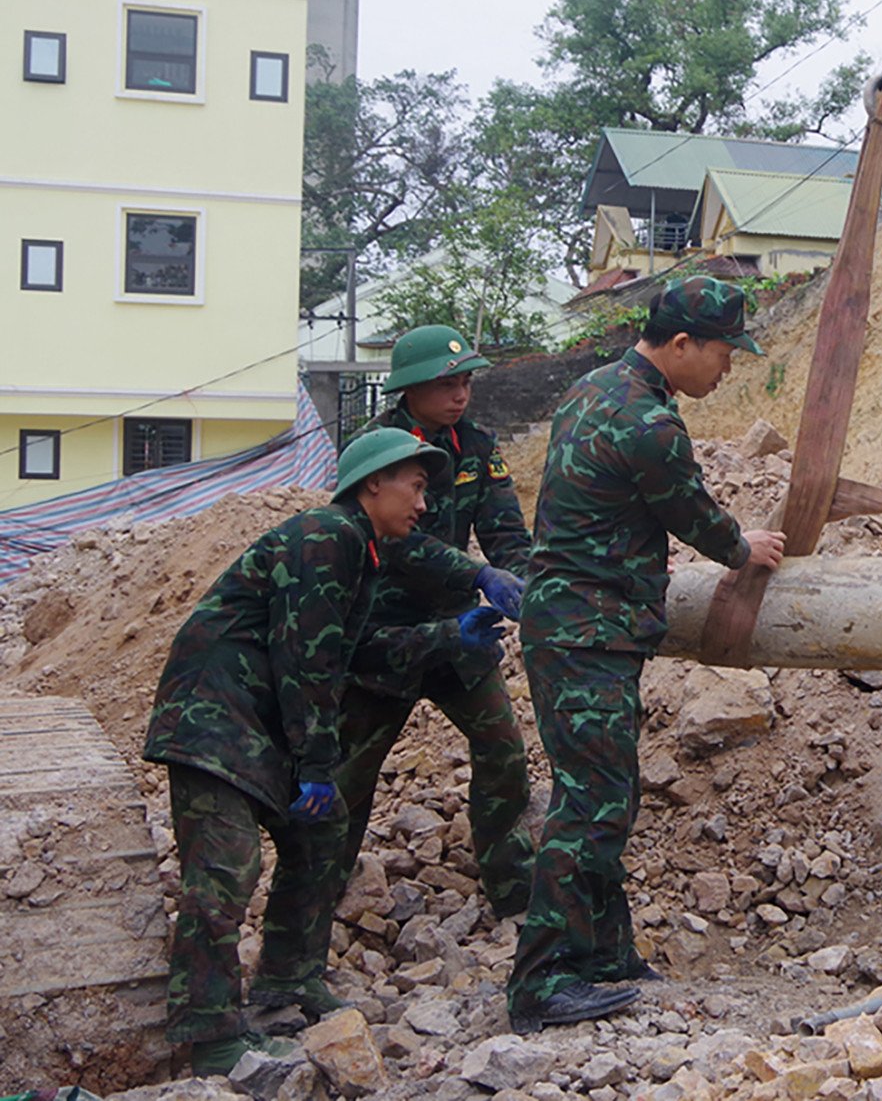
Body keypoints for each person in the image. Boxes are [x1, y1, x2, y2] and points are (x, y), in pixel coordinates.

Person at [507, 276, 787, 1033]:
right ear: (682, 344)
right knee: (592, 802)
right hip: (585, 629)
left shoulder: (594, 387)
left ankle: (604, 954)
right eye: (725, 351)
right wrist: (743, 546)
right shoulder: (648, 422)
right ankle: (540, 983)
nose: (729, 366)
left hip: (577, 625)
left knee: (607, 792)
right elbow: (690, 511)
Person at [142, 429, 449, 1076]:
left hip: (257, 720)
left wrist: (448, 636)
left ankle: (286, 981)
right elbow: (305, 658)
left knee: (320, 835)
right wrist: (315, 764)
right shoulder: (325, 536)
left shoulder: (358, 551)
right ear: (374, 482)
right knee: (226, 871)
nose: (423, 505)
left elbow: (351, 651)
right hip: (214, 717)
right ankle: (211, 1037)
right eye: (415, 487)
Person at [329, 324, 537, 923]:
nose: (460, 394)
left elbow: (505, 531)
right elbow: (395, 544)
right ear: (411, 388)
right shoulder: (376, 449)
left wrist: (523, 579)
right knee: (351, 774)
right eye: (447, 383)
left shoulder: (477, 446)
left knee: (503, 750)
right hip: (382, 637)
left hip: (459, 631)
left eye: (466, 381)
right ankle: (321, 889)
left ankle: (511, 886)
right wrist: (476, 574)